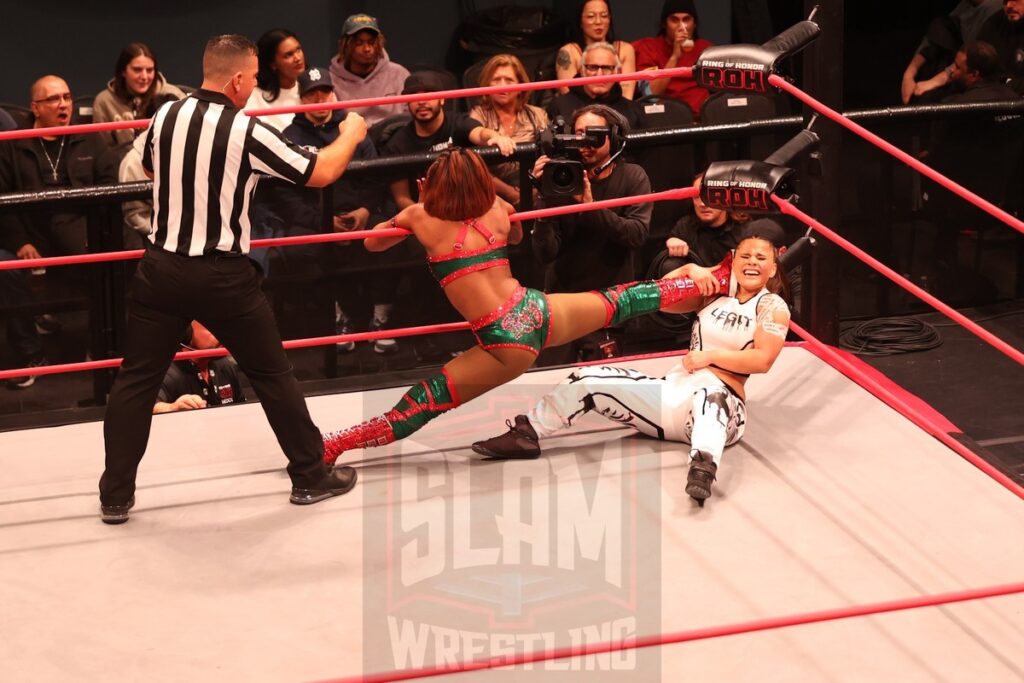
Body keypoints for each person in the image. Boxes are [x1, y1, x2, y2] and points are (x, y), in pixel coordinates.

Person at [98, 34, 368, 524]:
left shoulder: (164, 116)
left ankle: (115, 496)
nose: (253, 89)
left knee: (135, 381)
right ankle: (310, 477)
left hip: (160, 266)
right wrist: (351, 129)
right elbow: (322, 172)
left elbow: (152, 165)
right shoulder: (244, 130)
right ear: (238, 79)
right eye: (253, 80)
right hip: (222, 272)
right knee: (271, 373)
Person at [320, 147, 732, 465]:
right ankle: (713, 277)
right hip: (536, 310)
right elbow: (516, 239)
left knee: (419, 405)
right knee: (621, 300)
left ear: (431, 184)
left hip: (504, 342)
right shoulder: (498, 209)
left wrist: (422, 204)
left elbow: (372, 241)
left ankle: (334, 446)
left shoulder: (420, 215)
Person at [472, 234, 791, 506]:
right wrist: (688, 270)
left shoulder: (772, 306)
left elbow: (763, 360)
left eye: (761, 257)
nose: (752, 262)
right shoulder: (712, 296)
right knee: (587, 378)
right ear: (733, 261)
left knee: (711, 397)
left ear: (772, 267)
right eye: (745, 255)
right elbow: (660, 299)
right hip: (673, 396)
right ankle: (527, 434)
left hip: (722, 410)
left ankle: (703, 467)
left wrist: (709, 357)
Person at [260, 65, 398, 354]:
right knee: (298, 251)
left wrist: (364, 210)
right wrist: (322, 221)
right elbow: (285, 193)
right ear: (302, 99)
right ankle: (335, 319)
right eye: (312, 95)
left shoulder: (353, 126)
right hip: (315, 218)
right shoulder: (289, 135)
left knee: (391, 237)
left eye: (325, 92)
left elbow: (374, 176)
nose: (320, 100)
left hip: (358, 213)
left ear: (334, 94)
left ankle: (381, 320)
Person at [531, 104, 651, 361]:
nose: (585, 142)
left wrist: (590, 207)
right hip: (562, 303)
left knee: (605, 391)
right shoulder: (559, 178)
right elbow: (545, 253)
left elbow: (636, 234)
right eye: (578, 134)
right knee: (554, 388)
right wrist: (542, 201)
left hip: (608, 304)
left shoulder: (633, 176)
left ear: (615, 136)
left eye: (593, 134)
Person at [0, 76, 118, 258]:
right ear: (35, 108)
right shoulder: (9, 144)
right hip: (34, 232)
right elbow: (3, 200)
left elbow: (109, 187)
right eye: (54, 99)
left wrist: (95, 233)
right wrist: (20, 242)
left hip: (84, 227)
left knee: (131, 243)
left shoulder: (90, 138)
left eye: (67, 97)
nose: (63, 104)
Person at [383, 71, 517, 210]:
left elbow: (480, 133)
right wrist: (422, 216)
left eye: (428, 94)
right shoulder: (397, 143)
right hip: (425, 213)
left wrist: (495, 137)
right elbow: (401, 198)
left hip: (467, 208)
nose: (421, 101)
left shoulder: (458, 122)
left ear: (442, 99)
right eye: (414, 96)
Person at [468, 54, 550, 206]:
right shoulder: (478, 114)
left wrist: (532, 187)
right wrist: (509, 192)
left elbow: (547, 156)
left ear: (520, 86)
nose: (502, 86)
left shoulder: (538, 115)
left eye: (509, 80)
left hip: (536, 189)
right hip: (491, 195)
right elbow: (474, 163)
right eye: (496, 80)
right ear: (487, 84)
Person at [92, 43, 187, 156]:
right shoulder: (104, 101)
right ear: (123, 71)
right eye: (137, 70)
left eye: (150, 70)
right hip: (121, 168)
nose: (144, 77)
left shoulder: (173, 96)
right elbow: (103, 153)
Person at [900, 0, 1002, 104]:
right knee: (941, 24)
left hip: (970, 75)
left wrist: (934, 82)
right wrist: (909, 74)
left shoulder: (994, 9)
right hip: (952, 68)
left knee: (930, 99)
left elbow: (972, 56)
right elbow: (934, 37)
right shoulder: (964, 6)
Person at [632, 0, 713, 119]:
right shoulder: (648, 47)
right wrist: (674, 57)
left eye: (686, 19)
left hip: (701, 119)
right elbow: (651, 95)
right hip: (666, 119)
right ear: (664, 24)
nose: (682, 26)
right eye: (674, 20)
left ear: (694, 24)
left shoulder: (706, 49)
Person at [330, 13, 411, 127]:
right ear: (345, 45)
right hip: (353, 141)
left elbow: (411, 115)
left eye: (371, 42)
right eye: (359, 43)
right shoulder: (331, 81)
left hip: (394, 138)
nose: (367, 49)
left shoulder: (399, 74)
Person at [153, 321, 246, 414]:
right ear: (186, 331)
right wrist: (172, 408)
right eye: (210, 326)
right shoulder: (167, 372)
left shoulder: (226, 366)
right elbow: (150, 408)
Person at [546, 42, 642, 131]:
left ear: (617, 72)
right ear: (582, 71)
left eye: (606, 68)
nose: (599, 75)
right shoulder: (558, 106)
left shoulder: (634, 110)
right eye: (593, 67)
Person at [556, 0, 637, 99]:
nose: (598, 22)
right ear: (580, 21)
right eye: (590, 16)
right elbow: (569, 98)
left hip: (616, 111)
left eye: (604, 16)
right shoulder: (569, 52)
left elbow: (626, 97)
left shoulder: (625, 50)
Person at [244, 29, 306, 131]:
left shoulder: (314, 87)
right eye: (288, 55)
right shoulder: (254, 96)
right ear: (272, 64)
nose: (297, 58)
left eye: (298, 50)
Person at [977, 0, 1024, 93]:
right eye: (1005, 1)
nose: (1009, 5)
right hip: (998, 93)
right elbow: (976, 60)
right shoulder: (994, 24)